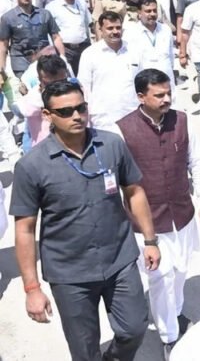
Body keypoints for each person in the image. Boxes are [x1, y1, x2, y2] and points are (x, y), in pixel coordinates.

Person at [9, 79, 160, 361]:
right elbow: (25, 230)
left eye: (81, 108)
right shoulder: (31, 166)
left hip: (119, 260)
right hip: (70, 274)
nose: (76, 116)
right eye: (65, 112)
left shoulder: (111, 145)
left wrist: (150, 240)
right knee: (84, 350)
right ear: (47, 115)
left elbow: (134, 192)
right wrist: (32, 289)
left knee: (134, 328)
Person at [117, 69, 200, 356]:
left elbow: (197, 162)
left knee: (180, 270)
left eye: (168, 93)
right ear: (141, 97)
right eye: (159, 95)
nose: (167, 99)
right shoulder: (122, 130)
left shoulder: (182, 121)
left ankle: (175, 313)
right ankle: (169, 336)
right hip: (148, 224)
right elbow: (117, 180)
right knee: (161, 278)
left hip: (182, 215)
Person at [77, 11, 142, 133]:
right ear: (101, 30)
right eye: (110, 28)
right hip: (103, 119)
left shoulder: (134, 50)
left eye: (118, 27)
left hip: (133, 114)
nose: (115, 31)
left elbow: (143, 82)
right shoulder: (90, 54)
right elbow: (84, 88)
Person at [0, 0, 64, 79]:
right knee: (25, 87)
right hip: (21, 62)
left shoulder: (45, 14)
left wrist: (63, 57)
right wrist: (2, 68)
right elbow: (3, 44)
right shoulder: (8, 18)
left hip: (44, 60)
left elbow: (56, 36)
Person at [15, 54, 68, 150]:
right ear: (39, 79)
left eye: (62, 82)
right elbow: (18, 110)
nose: (57, 88)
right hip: (45, 151)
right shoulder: (32, 99)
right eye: (50, 84)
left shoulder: (75, 90)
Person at [123, 0, 176, 84]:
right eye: (148, 11)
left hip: (166, 78)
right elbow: (127, 61)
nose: (152, 14)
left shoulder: (165, 30)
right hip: (145, 82)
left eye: (154, 10)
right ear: (139, 13)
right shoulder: (130, 32)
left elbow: (171, 56)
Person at [44, 0, 91, 74]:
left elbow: (88, 24)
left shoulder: (81, 4)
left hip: (83, 46)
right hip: (65, 49)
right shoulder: (52, 7)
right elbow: (49, 31)